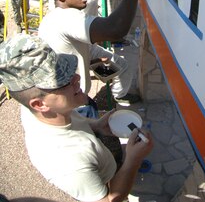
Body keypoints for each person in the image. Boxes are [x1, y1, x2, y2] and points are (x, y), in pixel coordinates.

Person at [0, 34, 153, 201]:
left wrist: (96, 125)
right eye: (62, 81)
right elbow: (109, 199)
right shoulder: (69, 163)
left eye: (66, 68)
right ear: (39, 104)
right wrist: (132, 161)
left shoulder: (38, 112)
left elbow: (72, 120)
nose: (77, 77)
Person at [39, 0, 154, 108]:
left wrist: (93, 60)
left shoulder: (60, 12)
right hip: (72, 104)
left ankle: (115, 92)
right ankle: (114, 93)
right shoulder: (65, 16)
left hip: (76, 81)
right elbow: (116, 28)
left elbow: (72, 47)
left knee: (119, 65)